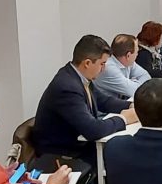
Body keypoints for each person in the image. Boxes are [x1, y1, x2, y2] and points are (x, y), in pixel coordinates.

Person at [34, 35, 138, 166]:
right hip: (63, 155)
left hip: (78, 146)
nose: (104, 69)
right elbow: (92, 130)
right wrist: (124, 119)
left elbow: (103, 101)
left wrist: (133, 106)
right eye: (102, 64)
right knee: (124, 156)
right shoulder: (67, 87)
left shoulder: (78, 76)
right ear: (87, 63)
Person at [94, 34, 151, 99]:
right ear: (128, 55)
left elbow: (146, 76)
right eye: (137, 52)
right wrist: (133, 82)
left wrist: (133, 83)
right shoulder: (108, 68)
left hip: (120, 102)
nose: (137, 54)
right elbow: (135, 91)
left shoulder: (129, 63)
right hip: (107, 104)